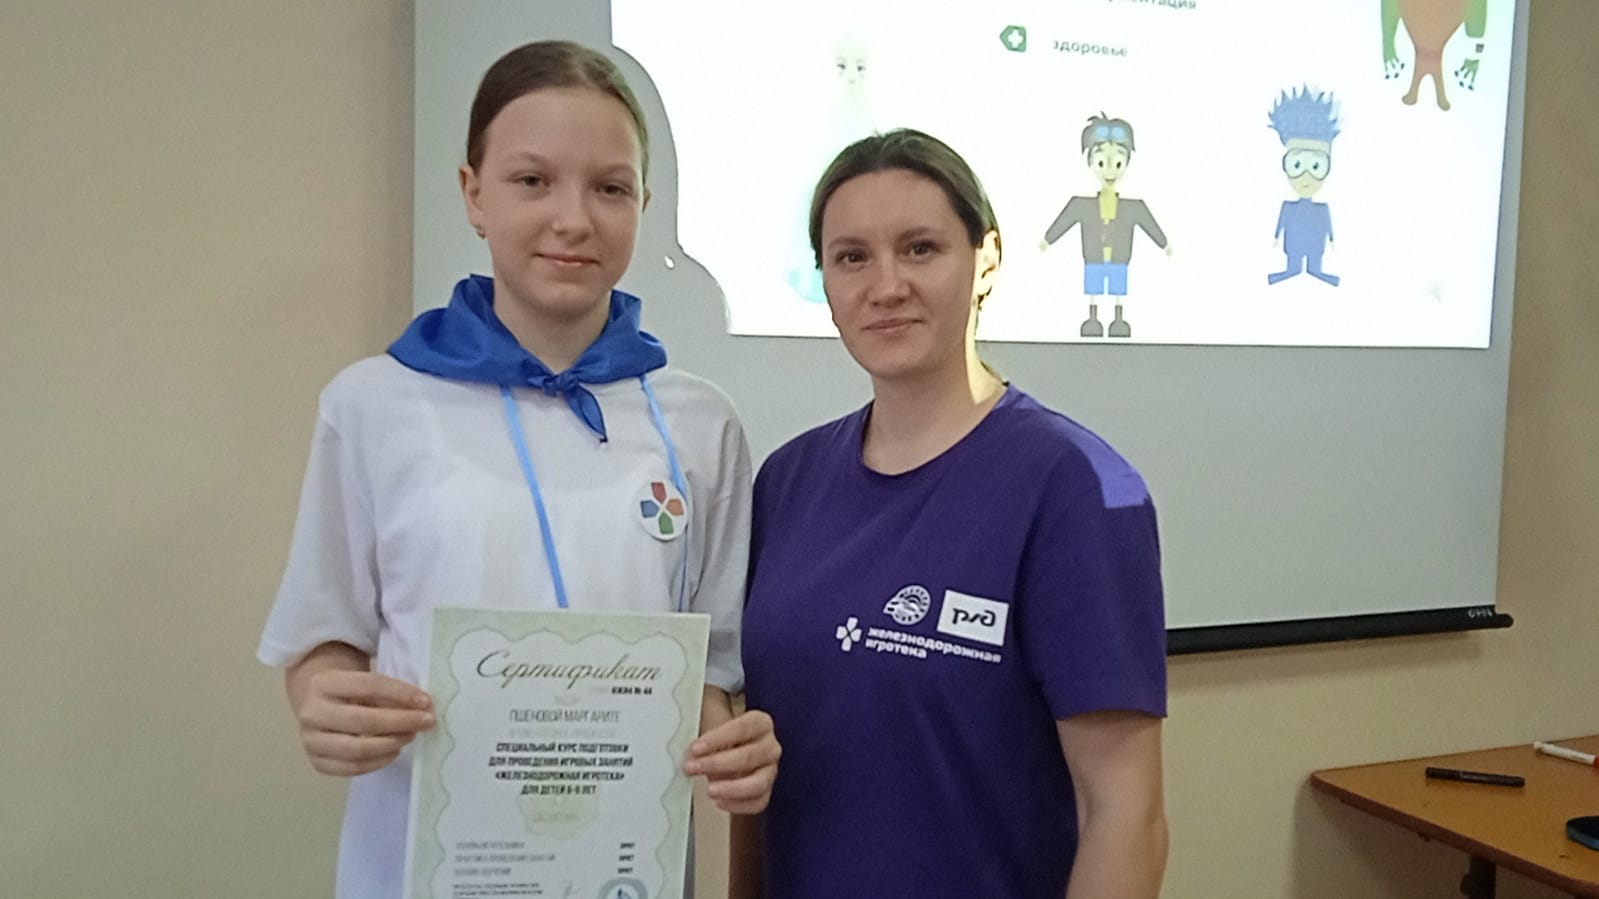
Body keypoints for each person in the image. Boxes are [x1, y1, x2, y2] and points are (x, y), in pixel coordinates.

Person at [256, 40, 779, 898]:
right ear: (473, 193)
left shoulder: (701, 423)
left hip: (623, 870)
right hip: (420, 869)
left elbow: (711, 667)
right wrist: (323, 701)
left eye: (610, 188)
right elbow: (324, 634)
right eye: (532, 181)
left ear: (644, 204)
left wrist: (731, 739)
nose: (573, 219)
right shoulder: (374, 404)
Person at [737, 128, 1168, 899]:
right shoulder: (785, 481)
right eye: (851, 257)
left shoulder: (1076, 488)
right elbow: (754, 773)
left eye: (920, 248)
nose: (886, 285)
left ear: (987, 258)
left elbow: (1124, 812)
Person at [1039, 114, 1172, 339]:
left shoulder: (1133, 207)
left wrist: (1164, 244)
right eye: (1102, 163)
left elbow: (1148, 223)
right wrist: (1048, 239)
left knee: (1118, 290)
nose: (1110, 171)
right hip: (1093, 257)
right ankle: (1093, 320)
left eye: (1117, 163)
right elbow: (1066, 219)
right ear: (1091, 162)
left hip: (1119, 257)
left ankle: (1118, 321)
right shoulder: (1082, 205)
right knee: (1094, 289)